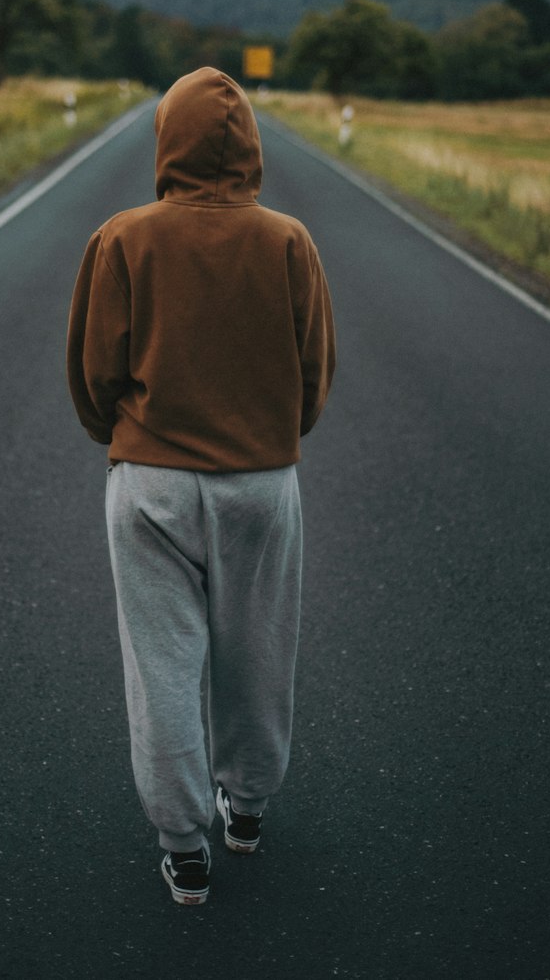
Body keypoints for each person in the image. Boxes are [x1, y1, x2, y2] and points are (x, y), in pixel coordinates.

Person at [66, 66, 335, 906]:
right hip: (260, 481)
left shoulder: (123, 237)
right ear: (250, 143)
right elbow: (313, 378)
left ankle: (183, 846)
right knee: (258, 653)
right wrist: (271, 433)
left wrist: (123, 434)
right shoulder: (289, 241)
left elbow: (92, 374)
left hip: (149, 484)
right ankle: (247, 809)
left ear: (166, 140)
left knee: (163, 666)